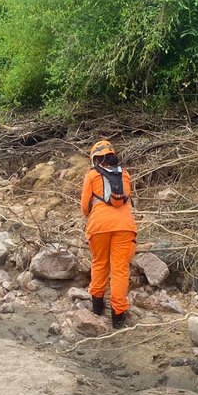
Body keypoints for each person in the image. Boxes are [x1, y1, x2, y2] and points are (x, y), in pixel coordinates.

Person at [80, 140, 137, 329]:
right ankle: (118, 316)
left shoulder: (92, 174)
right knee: (120, 269)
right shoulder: (125, 174)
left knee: (99, 263)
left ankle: (97, 307)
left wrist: (94, 218)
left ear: (95, 158)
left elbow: (84, 206)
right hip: (125, 226)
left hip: (99, 225)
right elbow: (125, 200)